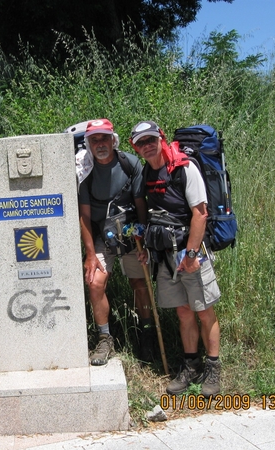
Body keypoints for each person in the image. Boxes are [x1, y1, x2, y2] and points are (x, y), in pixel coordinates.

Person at [130, 120, 222, 397]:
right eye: (140, 142)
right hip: (165, 255)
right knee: (184, 312)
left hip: (191, 252)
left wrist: (192, 254)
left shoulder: (184, 168)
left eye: (150, 140)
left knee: (204, 311)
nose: (147, 146)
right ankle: (191, 366)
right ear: (135, 147)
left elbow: (200, 213)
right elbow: (151, 213)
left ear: (161, 138)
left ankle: (213, 369)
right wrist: (146, 244)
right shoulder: (147, 172)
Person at [76, 118, 154, 366]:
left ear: (113, 139)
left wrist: (141, 236)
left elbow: (141, 202)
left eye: (104, 138)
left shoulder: (130, 163)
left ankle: (147, 333)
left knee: (139, 282)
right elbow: (84, 216)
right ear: (88, 143)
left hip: (131, 230)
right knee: (95, 282)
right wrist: (90, 254)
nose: (100, 144)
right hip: (101, 234)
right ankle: (105, 338)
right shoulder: (84, 172)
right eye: (94, 139)